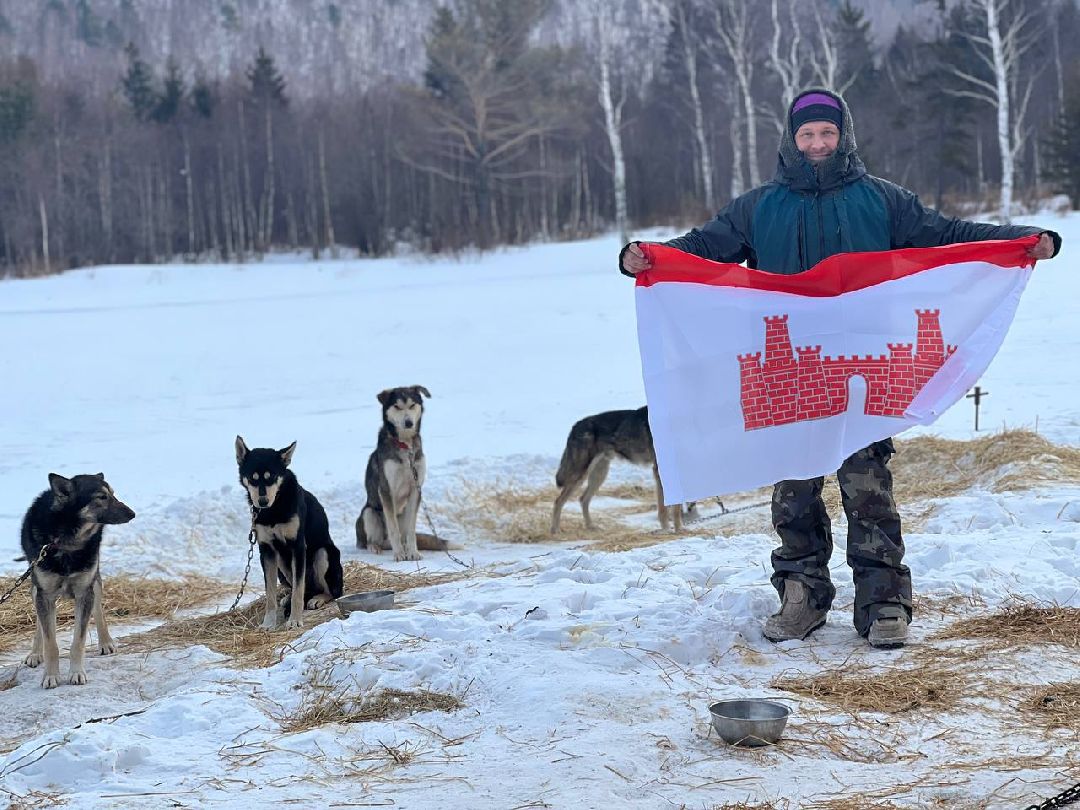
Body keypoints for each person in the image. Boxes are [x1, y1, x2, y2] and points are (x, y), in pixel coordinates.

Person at [619, 87, 1061, 649]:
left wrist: (1020, 242)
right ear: (791, 139)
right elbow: (704, 248)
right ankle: (801, 596)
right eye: (807, 135)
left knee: (868, 487)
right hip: (788, 372)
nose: (818, 143)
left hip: (862, 374)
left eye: (827, 133)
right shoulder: (759, 206)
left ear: (844, 135)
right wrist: (648, 257)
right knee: (794, 491)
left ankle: (884, 604)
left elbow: (948, 237)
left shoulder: (881, 199)